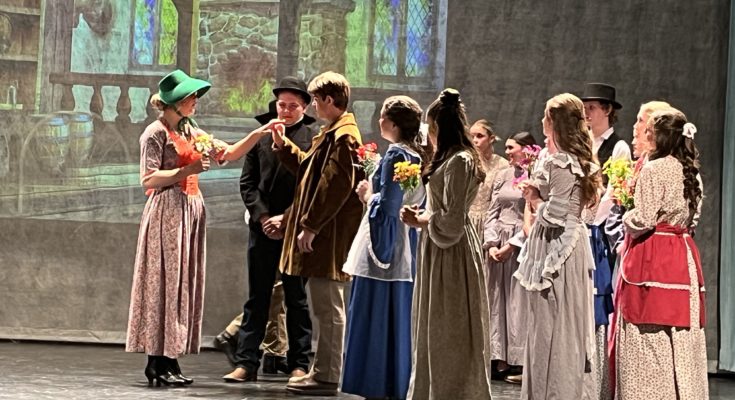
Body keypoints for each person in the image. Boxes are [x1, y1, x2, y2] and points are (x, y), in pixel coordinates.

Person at [125, 69, 275, 386]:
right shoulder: (155, 133)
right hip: (167, 211)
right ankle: (158, 361)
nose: (195, 101)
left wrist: (259, 134)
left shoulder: (190, 129)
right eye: (191, 97)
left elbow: (227, 152)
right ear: (176, 101)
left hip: (190, 209)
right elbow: (148, 179)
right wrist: (187, 169)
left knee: (182, 282)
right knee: (166, 283)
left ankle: (170, 359)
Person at [272, 71, 364, 396]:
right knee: (324, 306)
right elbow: (311, 173)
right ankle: (322, 370)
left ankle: (327, 376)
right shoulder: (332, 133)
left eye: (314, 99)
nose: (313, 105)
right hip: (326, 233)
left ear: (328, 99)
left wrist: (310, 225)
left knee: (329, 306)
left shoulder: (344, 136)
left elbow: (334, 186)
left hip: (330, 235)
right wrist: (283, 146)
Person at [222, 77, 318, 383]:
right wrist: (263, 216)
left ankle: (299, 363)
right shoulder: (261, 135)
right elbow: (248, 182)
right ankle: (246, 362)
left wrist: (285, 220)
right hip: (262, 228)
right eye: (281, 105)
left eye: (292, 106)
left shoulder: (313, 138)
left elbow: (311, 188)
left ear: (304, 107)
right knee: (258, 297)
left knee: (296, 299)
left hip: (293, 228)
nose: (286, 111)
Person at [400, 88, 492, 400]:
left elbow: (452, 221)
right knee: (437, 323)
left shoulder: (461, 161)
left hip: (452, 252)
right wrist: (422, 217)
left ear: (439, 126)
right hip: (438, 248)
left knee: (451, 325)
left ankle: (455, 392)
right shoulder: (450, 158)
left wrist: (423, 220)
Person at [613, 108, 708, 399]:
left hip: (653, 256)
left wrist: (626, 217)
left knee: (647, 333)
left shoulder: (654, 169)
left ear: (660, 137)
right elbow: (692, 220)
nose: (646, 136)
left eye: (649, 132)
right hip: (683, 256)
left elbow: (644, 218)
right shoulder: (692, 174)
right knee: (681, 332)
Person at [514, 93, 600, 399]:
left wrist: (534, 199)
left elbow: (558, 214)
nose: (541, 120)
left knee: (555, 325)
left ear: (555, 122)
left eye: (546, 116)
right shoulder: (570, 160)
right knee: (552, 324)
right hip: (563, 245)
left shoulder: (562, 161)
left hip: (558, 250)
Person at [341, 95, 427, 400]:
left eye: (382, 116)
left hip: (386, 241)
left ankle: (374, 380)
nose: (379, 120)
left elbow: (389, 205)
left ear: (391, 123)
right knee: (398, 312)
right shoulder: (415, 155)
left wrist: (367, 195)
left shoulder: (396, 155)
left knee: (375, 309)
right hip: (405, 239)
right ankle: (395, 379)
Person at [483, 131, 536, 384]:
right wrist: (492, 243)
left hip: (519, 244)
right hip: (498, 243)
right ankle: (498, 358)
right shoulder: (502, 175)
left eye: (511, 148)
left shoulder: (534, 176)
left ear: (526, 149)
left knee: (517, 302)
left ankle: (518, 359)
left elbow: (533, 216)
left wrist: (512, 246)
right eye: (505, 147)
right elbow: (492, 211)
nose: (507, 152)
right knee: (497, 302)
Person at [468, 119, 509, 233]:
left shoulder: (503, 165)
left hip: (491, 222)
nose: (475, 140)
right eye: (472, 136)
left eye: (480, 136)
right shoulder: (466, 162)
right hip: (466, 219)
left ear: (491, 139)